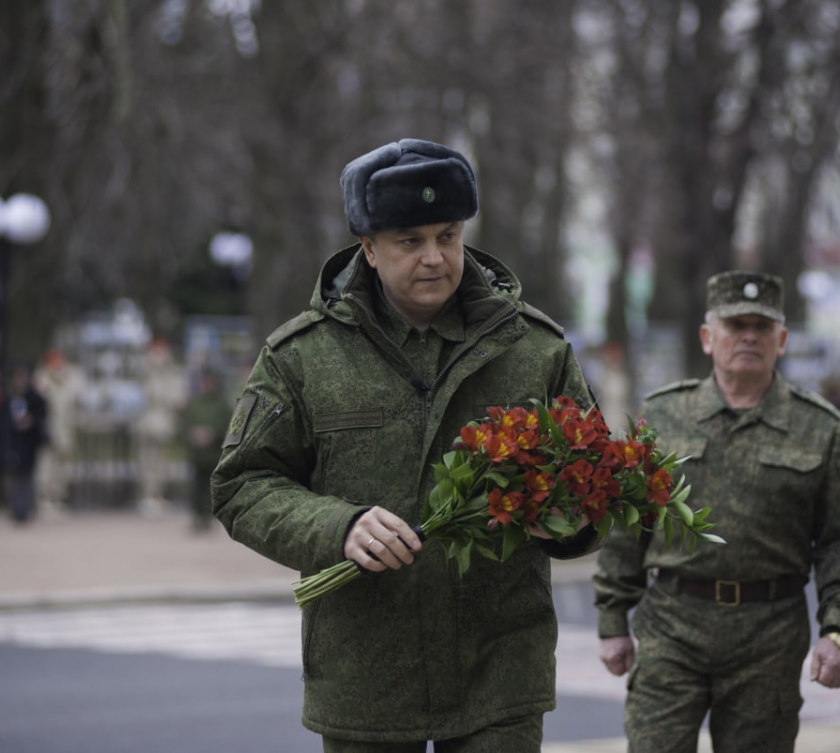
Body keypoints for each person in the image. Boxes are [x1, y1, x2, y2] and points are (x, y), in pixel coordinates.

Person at [211, 138, 599, 751]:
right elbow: (241, 484)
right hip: (365, 672)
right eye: (409, 241)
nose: (434, 258)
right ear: (367, 248)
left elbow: (593, 480)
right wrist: (337, 526)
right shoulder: (303, 357)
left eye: (448, 235)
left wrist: (568, 518)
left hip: (498, 670)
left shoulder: (534, 350)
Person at [592, 270, 840, 753]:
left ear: (780, 340)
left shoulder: (817, 426)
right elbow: (626, 520)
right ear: (707, 337)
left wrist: (839, 630)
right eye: (735, 324)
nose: (748, 336)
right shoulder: (662, 416)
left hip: (769, 635)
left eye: (761, 327)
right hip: (672, 627)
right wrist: (613, 620)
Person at [135, 337, 186, 516]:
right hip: (148, 423)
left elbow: (178, 399)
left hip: (164, 423)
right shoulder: (145, 371)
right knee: (147, 461)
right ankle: (148, 496)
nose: (159, 356)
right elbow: (144, 396)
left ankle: (157, 494)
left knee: (162, 462)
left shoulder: (172, 373)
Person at [179, 367, 231, 532]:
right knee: (196, 487)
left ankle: (208, 518)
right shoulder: (194, 403)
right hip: (197, 455)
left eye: (209, 382)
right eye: (203, 382)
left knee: (211, 488)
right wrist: (193, 435)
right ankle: (196, 516)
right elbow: (184, 425)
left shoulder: (222, 405)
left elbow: (229, 427)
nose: (206, 385)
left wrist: (212, 435)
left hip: (214, 454)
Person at [34, 348, 85, 516]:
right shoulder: (42, 379)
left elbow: (77, 400)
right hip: (48, 431)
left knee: (62, 468)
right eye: (54, 361)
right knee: (46, 466)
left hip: (65, 431)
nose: (58, 364)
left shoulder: (70, 379)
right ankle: (44, 499)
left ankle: (57, 499)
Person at [1, 363, 48, 524]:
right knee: (14, 476)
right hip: (14, 442)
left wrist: (32, 422)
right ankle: (16, 509)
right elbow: (4, 419)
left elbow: (41, 417)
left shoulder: (34, 397)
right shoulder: (9, 397)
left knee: (27, 476)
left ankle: (27, 509)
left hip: (29, 442)